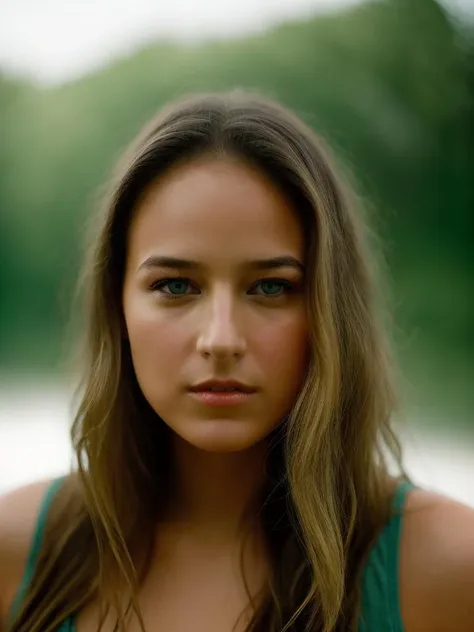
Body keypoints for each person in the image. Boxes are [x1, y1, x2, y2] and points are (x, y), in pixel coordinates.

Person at [0, 91, 473, 632]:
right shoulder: (16, 556)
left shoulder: (448, 570)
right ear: (117, 305)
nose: (220, 339)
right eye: (175, 285)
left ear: (331, 310)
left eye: (271, 287)